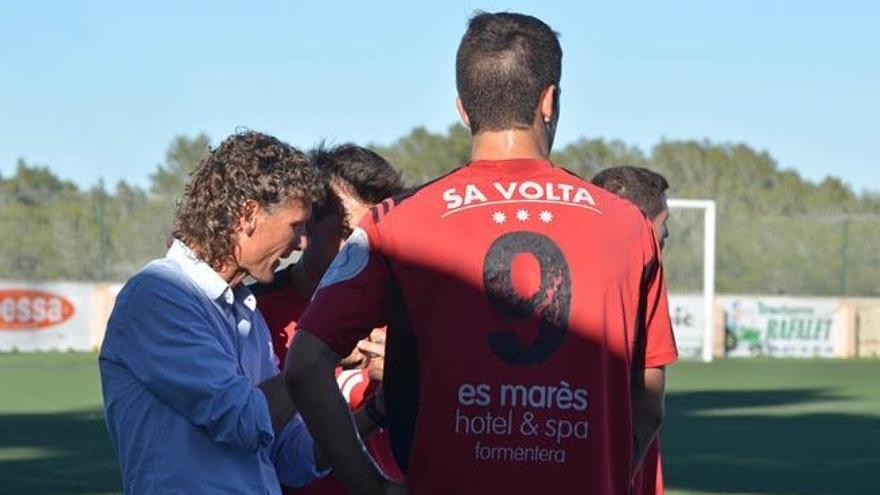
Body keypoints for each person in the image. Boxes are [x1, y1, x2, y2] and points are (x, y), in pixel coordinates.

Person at [285, 12, 677, 495]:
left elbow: (304, 365)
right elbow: (649, 399)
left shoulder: (396, 221)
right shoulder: (629, 227)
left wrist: (371, 487)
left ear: (463, 109)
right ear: (548, 101)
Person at [99, 131, 329, 494]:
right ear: (249, 214)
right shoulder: (158, 296)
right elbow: (244, 420)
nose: (302, 242)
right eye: (296, 225)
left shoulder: (245, 311)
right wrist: (320, 353)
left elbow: (291, 457)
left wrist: (376, 409)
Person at [250, 143, 405, 494]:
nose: (361, 251)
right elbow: (239, 432)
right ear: (306, 228)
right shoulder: (253, 313)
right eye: (346, 234)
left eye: (372, 238)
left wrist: (410, 375)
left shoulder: (404, 314)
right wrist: (319, 358)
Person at [592, 166, 673, 495]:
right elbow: (649, 406)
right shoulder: (642, 280)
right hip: (619, 474)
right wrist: (619, 478)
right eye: (663, 224)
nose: (667, 236)